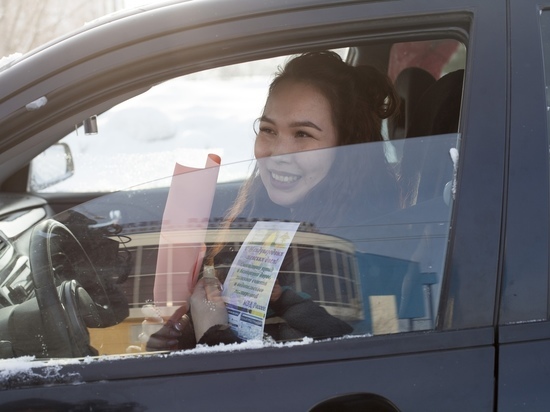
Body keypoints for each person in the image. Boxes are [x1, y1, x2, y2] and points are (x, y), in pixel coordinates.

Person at [146, 50, 400, 351]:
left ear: (347, 148)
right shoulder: (272, 221)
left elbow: (275, 387)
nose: (277, 153)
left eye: (303, 134)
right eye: (268, 130)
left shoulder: (342, 258)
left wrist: (212, 330)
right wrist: (185, 332)